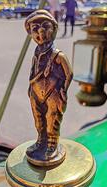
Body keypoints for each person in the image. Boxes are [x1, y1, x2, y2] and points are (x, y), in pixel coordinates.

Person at [25, 10, 73, 164]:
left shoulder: (58, 55)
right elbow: (33, 70)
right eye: (35, 29)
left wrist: (63, 90)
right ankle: (41, 141)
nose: (40, 32)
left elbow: (69, 73)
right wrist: (30, 88)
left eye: (45, 27)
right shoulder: (36, 53)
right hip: (36, 91)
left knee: (52, 119)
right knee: (38, 118)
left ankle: (52, 145)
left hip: (53, 92)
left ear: (54, 29)